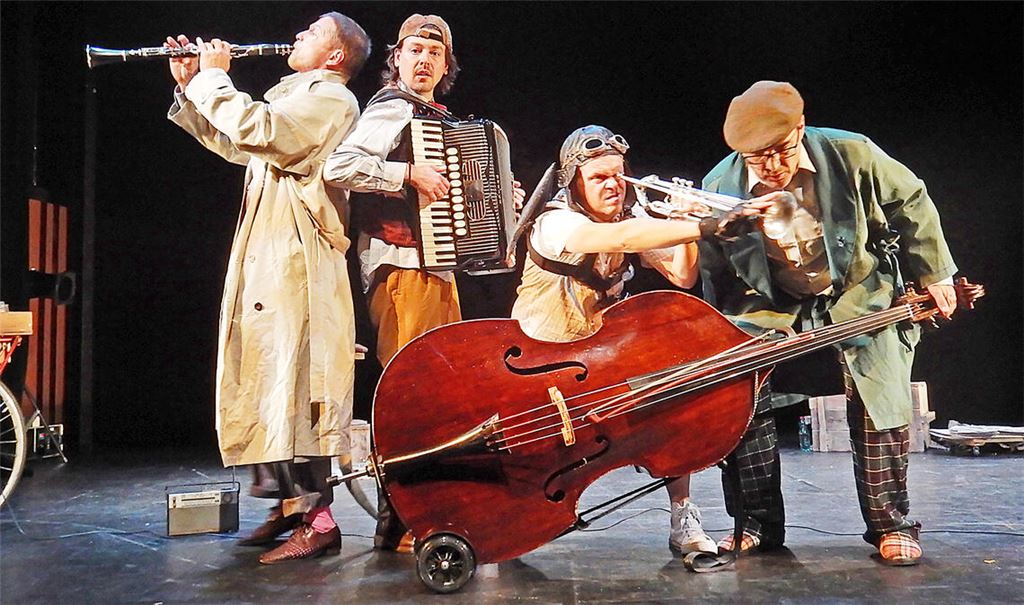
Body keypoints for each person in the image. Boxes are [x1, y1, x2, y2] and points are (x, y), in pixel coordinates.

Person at [697, 81, 958, 566]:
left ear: (801, 127)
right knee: (740, 390)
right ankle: (755, 523)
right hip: (771, 299)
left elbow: (911, 201)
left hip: (857, 287)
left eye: (781, 151)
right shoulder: (720, 187)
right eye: (758, 159)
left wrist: (935, 270)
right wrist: (722, 332)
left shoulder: (850, 152)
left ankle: (891, 523)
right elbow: (716, 269)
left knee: (880, 395)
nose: (772, 167)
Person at [509, 125, 782, 555]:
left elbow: (682, 274)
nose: (613, 185)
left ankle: (683, 516)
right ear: (573, 181)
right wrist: (705, 227)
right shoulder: (555, 221)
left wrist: (684, 220)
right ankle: (508, 520)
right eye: (598, 177)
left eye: (618, 174)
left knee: (672, 400)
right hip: (543, 363)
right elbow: (619, 239)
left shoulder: (630, 220)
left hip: (599, 362)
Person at [164, 12, 371, 564]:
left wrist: (212, 78)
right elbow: (240, 144)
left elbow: (265, 131)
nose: (298, 34)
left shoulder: (332, 99)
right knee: (264, 374)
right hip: (270, 248)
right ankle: (286, 508)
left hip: (298, 256)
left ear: (333, 57)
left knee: (297, 378)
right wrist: (191, 86)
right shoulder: (293, 91)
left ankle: (319, 519)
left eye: (312, 32)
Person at [323, 14, 524, 553]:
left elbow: (462, 202)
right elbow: (339, 165)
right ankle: (403, 519)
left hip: (435, 273)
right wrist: (405, 174)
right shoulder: (390, 108)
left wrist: (502, 201)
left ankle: (415, 517)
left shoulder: (438, 121)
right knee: (411, 398)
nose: (423, 60)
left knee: (436, 399)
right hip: (399, 269)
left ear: (445, 64)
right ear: (397, 58)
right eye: (413, 50)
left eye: (434, 53)